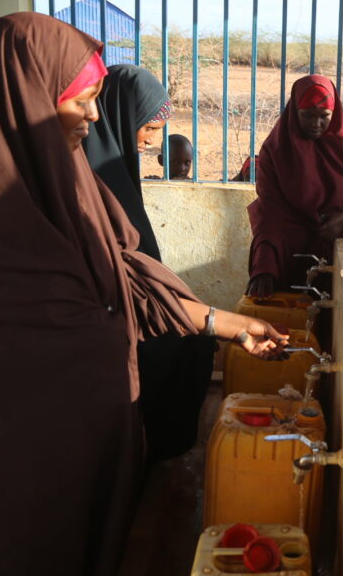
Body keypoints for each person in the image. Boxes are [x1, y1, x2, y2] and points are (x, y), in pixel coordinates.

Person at [0, 13, 288, 575]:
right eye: (80, 99)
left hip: (86, 465)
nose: (93, 113)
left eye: (97, 99)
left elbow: (128, 284)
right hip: (6, 492)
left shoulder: (73, 185)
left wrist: (229, 325)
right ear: (29, 100)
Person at [83, 64, 217, 465]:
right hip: (101, 313)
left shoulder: (115, 166)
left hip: (123, 301)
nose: (151, 142)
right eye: (148, 129)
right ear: (122, 117)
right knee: (181, 341)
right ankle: (151, 448)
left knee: (192, 334)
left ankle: (156, 448)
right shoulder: (88, 169)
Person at [246, 75, 343, 298]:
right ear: (295, 112)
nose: (316, 124)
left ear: (334, 115)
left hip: (339, 257)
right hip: (291, 257)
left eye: (324, 116)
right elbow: (270, 213)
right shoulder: (275, 152)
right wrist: (263, 268)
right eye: (307, 116)